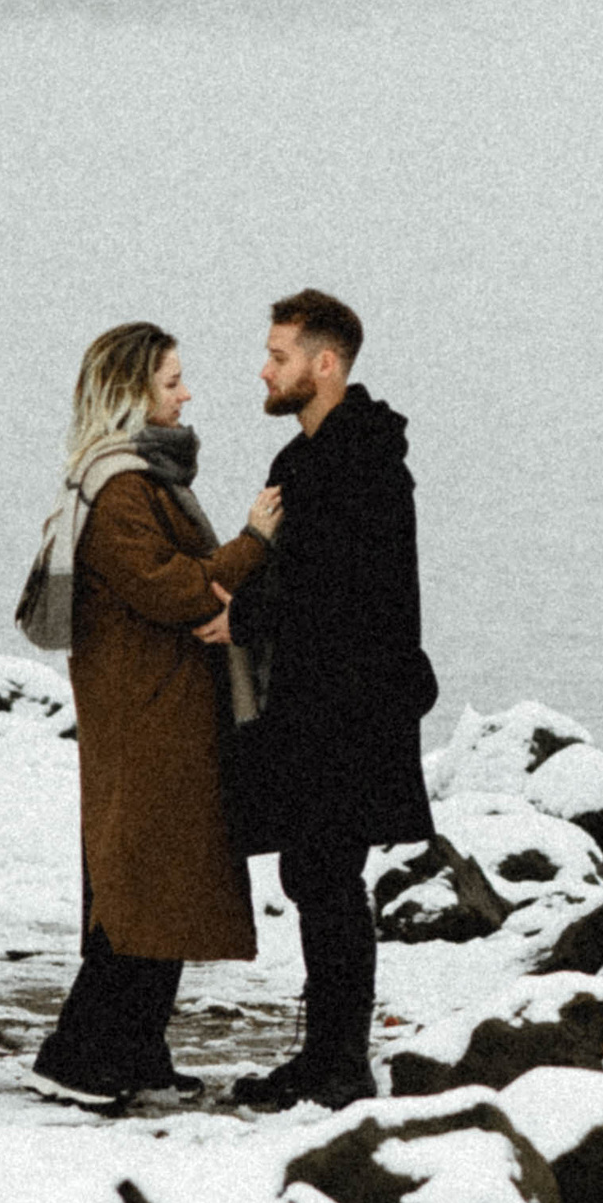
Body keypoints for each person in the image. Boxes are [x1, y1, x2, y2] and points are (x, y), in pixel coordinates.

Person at [29, 322, 282, 1108]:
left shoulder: (135, 479)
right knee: (140, 892)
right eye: (172, 381)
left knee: (155, 888)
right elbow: (173, 589)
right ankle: (81, 1056)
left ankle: (135, 1051)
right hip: (149, 717)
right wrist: (251, 543)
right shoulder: (124, 489)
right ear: (133, 392)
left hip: (154, 709)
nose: (187, 392)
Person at [213, 288, 436, 1111]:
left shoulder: (362, 463)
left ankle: (340, 1064)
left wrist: (245, 613)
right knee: (318, 875)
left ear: (325, 364)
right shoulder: (309, 462)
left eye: (279, 355)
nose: (265, 369)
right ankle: (327, 1057)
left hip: (354, 708)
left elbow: (342, 589)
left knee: (331, 878)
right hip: (316, 705)